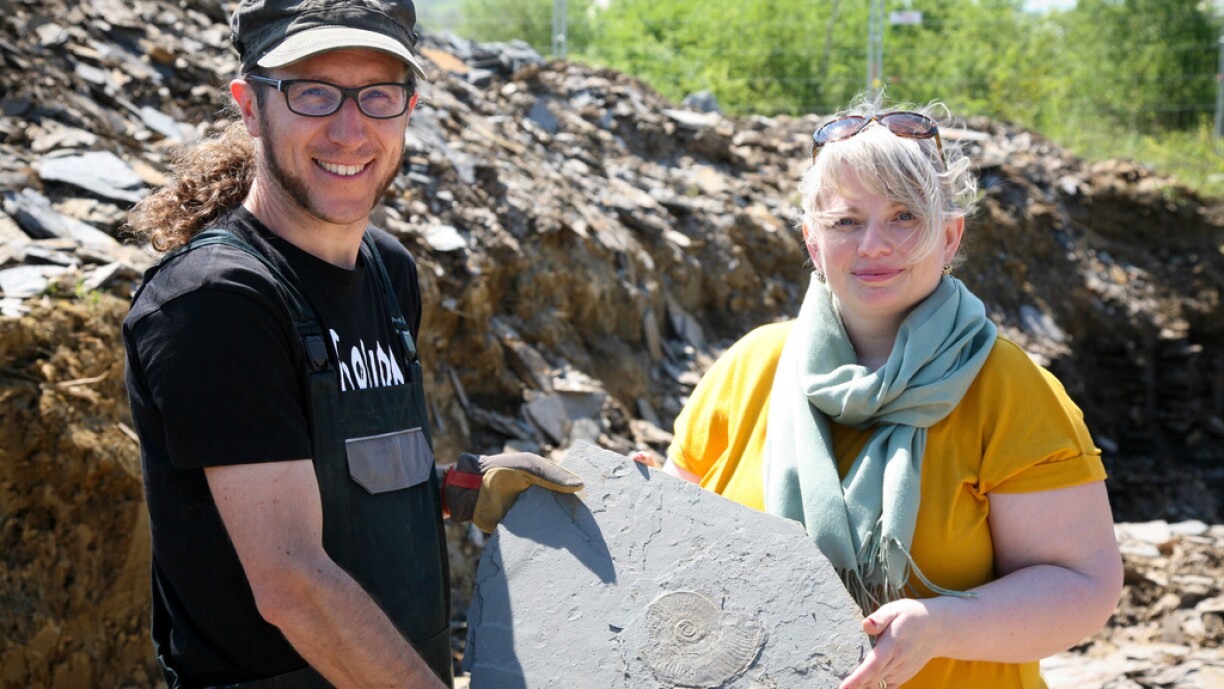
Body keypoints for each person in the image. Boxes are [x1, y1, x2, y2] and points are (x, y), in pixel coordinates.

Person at [122, 2, 581, 688]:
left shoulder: (388, 273)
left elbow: (333, 478)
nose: (348, 129)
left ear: (408, 109)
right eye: (312, 93)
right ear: (251, 108)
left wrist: (454, 489)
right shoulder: (215, 303)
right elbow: (292, 583)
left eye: (378, 96)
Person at [641, 100, 1122, 689]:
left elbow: (1083, 585)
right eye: (845, 222)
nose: (872, 245)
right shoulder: (748, 369)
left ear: (949, 236)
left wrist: (943, 626)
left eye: (904, 216)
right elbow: (677, 571)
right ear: (812, 242)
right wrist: (640, 511)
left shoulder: (1008, 389)